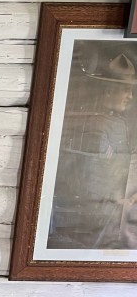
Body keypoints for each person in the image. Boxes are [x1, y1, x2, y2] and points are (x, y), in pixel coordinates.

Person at [50, 50, 137, 250]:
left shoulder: (116, 122)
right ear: (108, 91)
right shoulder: (96, 125)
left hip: (109, 213)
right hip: (91, 217)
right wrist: (116, 199)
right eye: (125, 89)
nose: (130, 96)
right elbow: (87, 174)